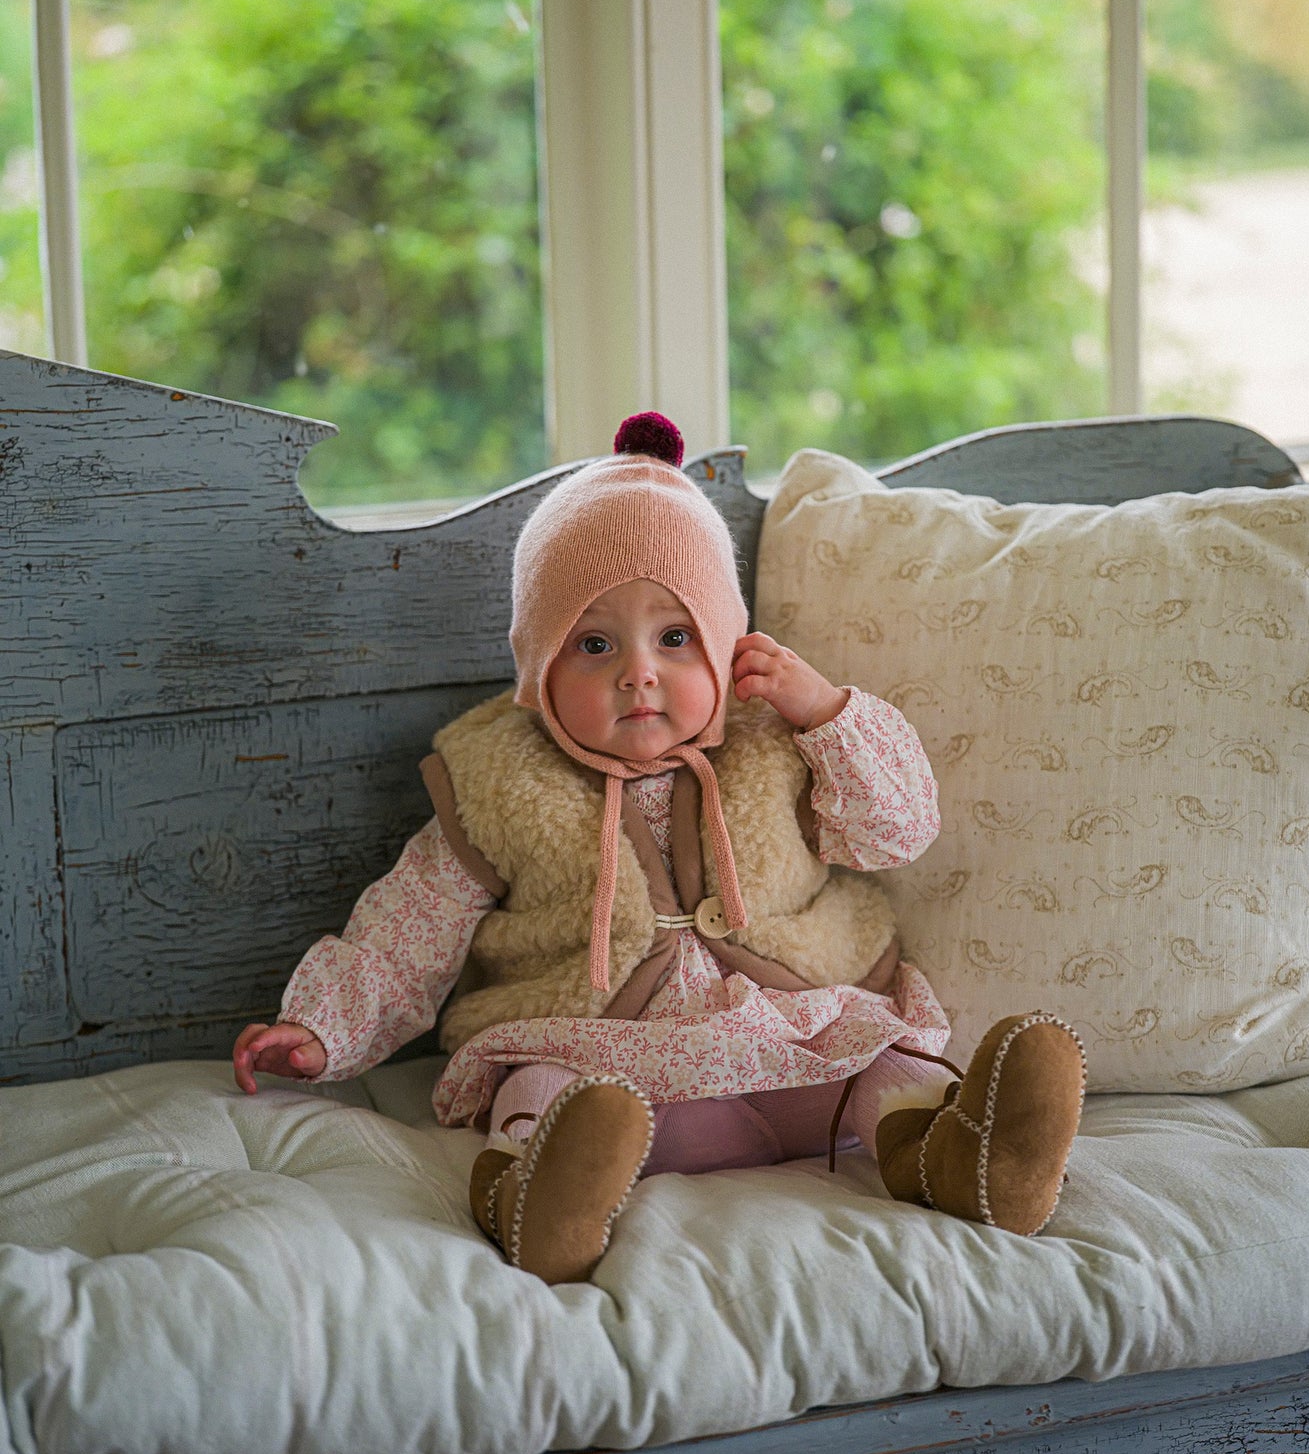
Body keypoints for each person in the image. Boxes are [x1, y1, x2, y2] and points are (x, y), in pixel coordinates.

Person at [234, 413, 1085, 1284]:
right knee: (537, 1084)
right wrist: (323, 1025)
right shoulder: (500, 779)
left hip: (792, 1048)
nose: (637, 672)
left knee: (883, 1060)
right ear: (537, 667)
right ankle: (537, 1194)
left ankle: (962, 1156)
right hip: (611, 1072)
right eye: (593, 644)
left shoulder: (775, 741)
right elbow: (407, 929)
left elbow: (895, 829)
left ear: (724, 644)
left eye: (674, 638)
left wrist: (828, 714)